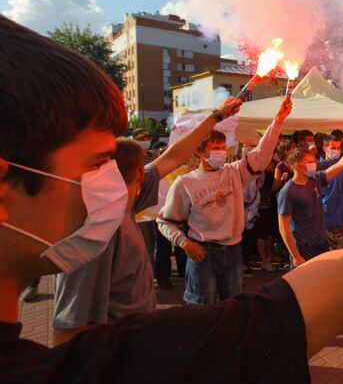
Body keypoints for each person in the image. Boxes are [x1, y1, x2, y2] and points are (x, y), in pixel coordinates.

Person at [1, 15, 343, 382]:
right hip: (202, 259)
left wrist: (226, 113)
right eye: (95, 166)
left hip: (228, 257)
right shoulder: (129, 362)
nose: (111, 186)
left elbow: (171, 157)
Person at [51, 98, 243, 344]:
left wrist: (216, 116)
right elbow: (69, 328)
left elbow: (175, 156)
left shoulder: (126, 202)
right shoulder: (95, 233)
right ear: (140, 173)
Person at [156, 99, 292, 303]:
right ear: (200, 152)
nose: (221, 151)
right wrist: (184, 243)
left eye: (222, 147)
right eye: (215, 147)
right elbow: (165, 222)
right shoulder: (185, 183)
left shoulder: (234, 172)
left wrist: (278, 120)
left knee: (233, 305)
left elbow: (261, 156)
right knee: (204, 306)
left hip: (233, 251)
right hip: (203, 253)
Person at [277, 131, 343, 266]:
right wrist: (295, 256)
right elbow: (283, 227)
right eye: (309, 162)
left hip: (321, 243)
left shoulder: (316, 179)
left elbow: (341, 164)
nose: (313, 164)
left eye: (313, 161)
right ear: (298, 166)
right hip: (304, 248)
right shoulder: (287, 192)